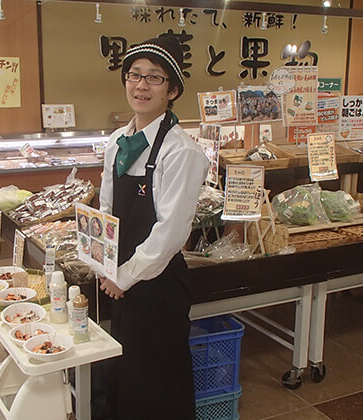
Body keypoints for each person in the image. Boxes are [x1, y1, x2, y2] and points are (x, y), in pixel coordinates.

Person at [97, 36, 208, 420]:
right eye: (134, 75)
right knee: (124, 365)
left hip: (157, 283)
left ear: (172, 89)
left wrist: (123, 276)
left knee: (158, 372)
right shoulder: (117, 142)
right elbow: (107, 207)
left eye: (155, 78)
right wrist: (101, 255)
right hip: (120, 276)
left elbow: (171, 233)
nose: (141, 85)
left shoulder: (182, 151)